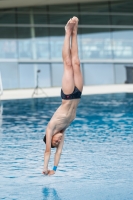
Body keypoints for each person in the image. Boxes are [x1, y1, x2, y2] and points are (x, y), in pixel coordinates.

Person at [42, 16, 83, 176]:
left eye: (54, 142)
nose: (58, 141)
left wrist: (45, 168)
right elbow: (58, 153)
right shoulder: (63, 130)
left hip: (67, 95)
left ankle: (67, 32)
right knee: (77, 62)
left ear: (49, 138)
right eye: (57, 143)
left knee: (68, 63)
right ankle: (75, 31)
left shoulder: (50, 128)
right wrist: (55, 170)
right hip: (78, 94)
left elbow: (48, 153)